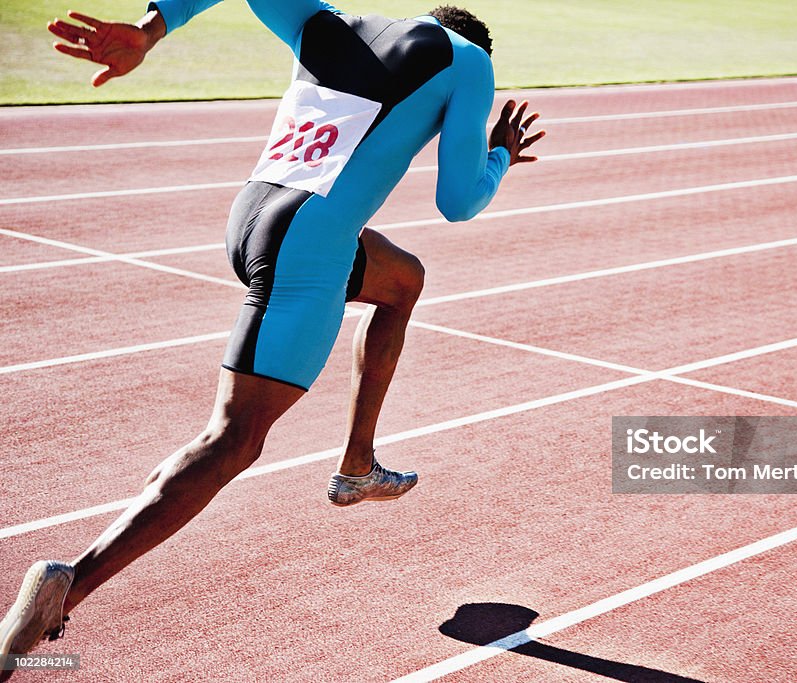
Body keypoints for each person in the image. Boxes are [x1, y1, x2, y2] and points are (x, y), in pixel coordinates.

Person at [0, 1, 544, 675]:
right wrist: (496, 155)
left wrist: (148, 32)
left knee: (402, 281)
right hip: (306, 246)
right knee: (231, 440)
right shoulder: (470, 62)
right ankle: (67, 583)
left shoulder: (330, 21)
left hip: (252, 216)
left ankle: (357, 465)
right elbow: (458, 201)